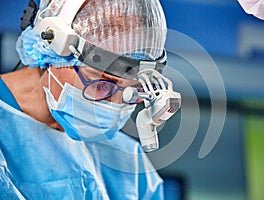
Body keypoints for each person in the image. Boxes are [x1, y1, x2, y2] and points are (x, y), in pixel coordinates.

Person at [0, 0, 167, 199]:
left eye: (134, 90)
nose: (113, 106)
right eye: (102, 84)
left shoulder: (128, 164)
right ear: (53, 47)